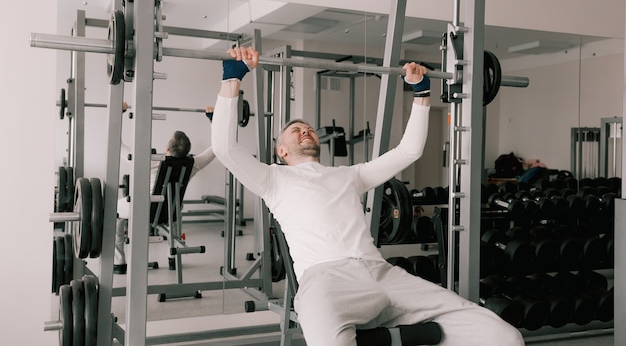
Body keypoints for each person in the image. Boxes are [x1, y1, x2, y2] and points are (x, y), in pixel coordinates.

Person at [211, 46, 524, 346]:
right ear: (281, 151)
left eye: (308, 127)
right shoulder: (273, 179)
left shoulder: (349, 175)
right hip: (326, 280)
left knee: (503, 336)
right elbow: (226, 149)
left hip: (383, 273)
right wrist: (233, 79)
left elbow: (409, 151)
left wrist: (421, 92)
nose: (305, 130)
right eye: (296, 130)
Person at [114, 103, 216, 274]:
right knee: (174, 208)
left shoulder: (151, 161)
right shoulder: (193, 164)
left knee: (113, 211)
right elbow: (216, 148)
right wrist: (213, 120)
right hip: (170, 212)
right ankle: (174, 259)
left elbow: (117, 145)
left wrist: (119, 112)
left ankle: (119, 263)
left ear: (167, 148)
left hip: (142, 210)